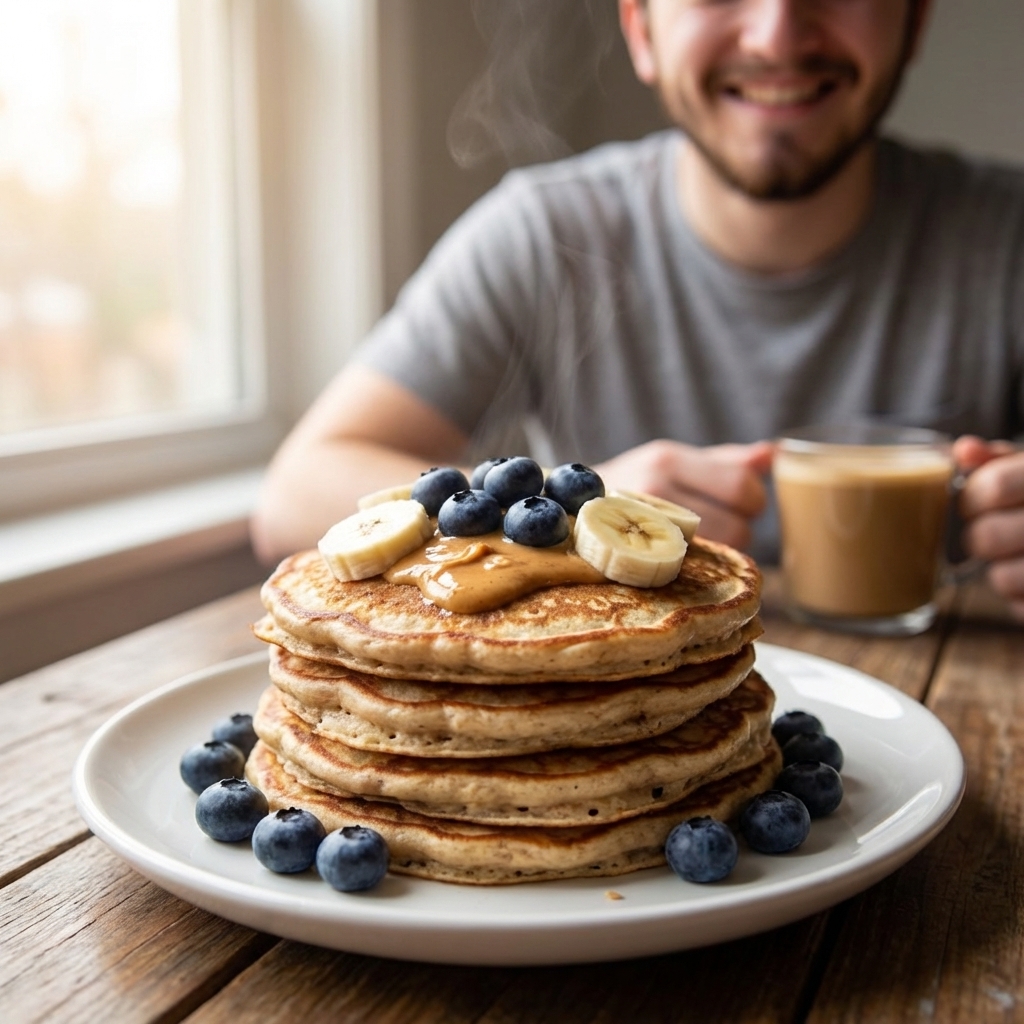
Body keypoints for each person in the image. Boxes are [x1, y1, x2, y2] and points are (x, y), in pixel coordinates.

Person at [252, 0, 1024, 619]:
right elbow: (293, 497)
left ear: (915, 20)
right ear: (642, 30)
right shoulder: (545, 232)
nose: (778, 30)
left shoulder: (1006, 236)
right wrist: (573, 501)